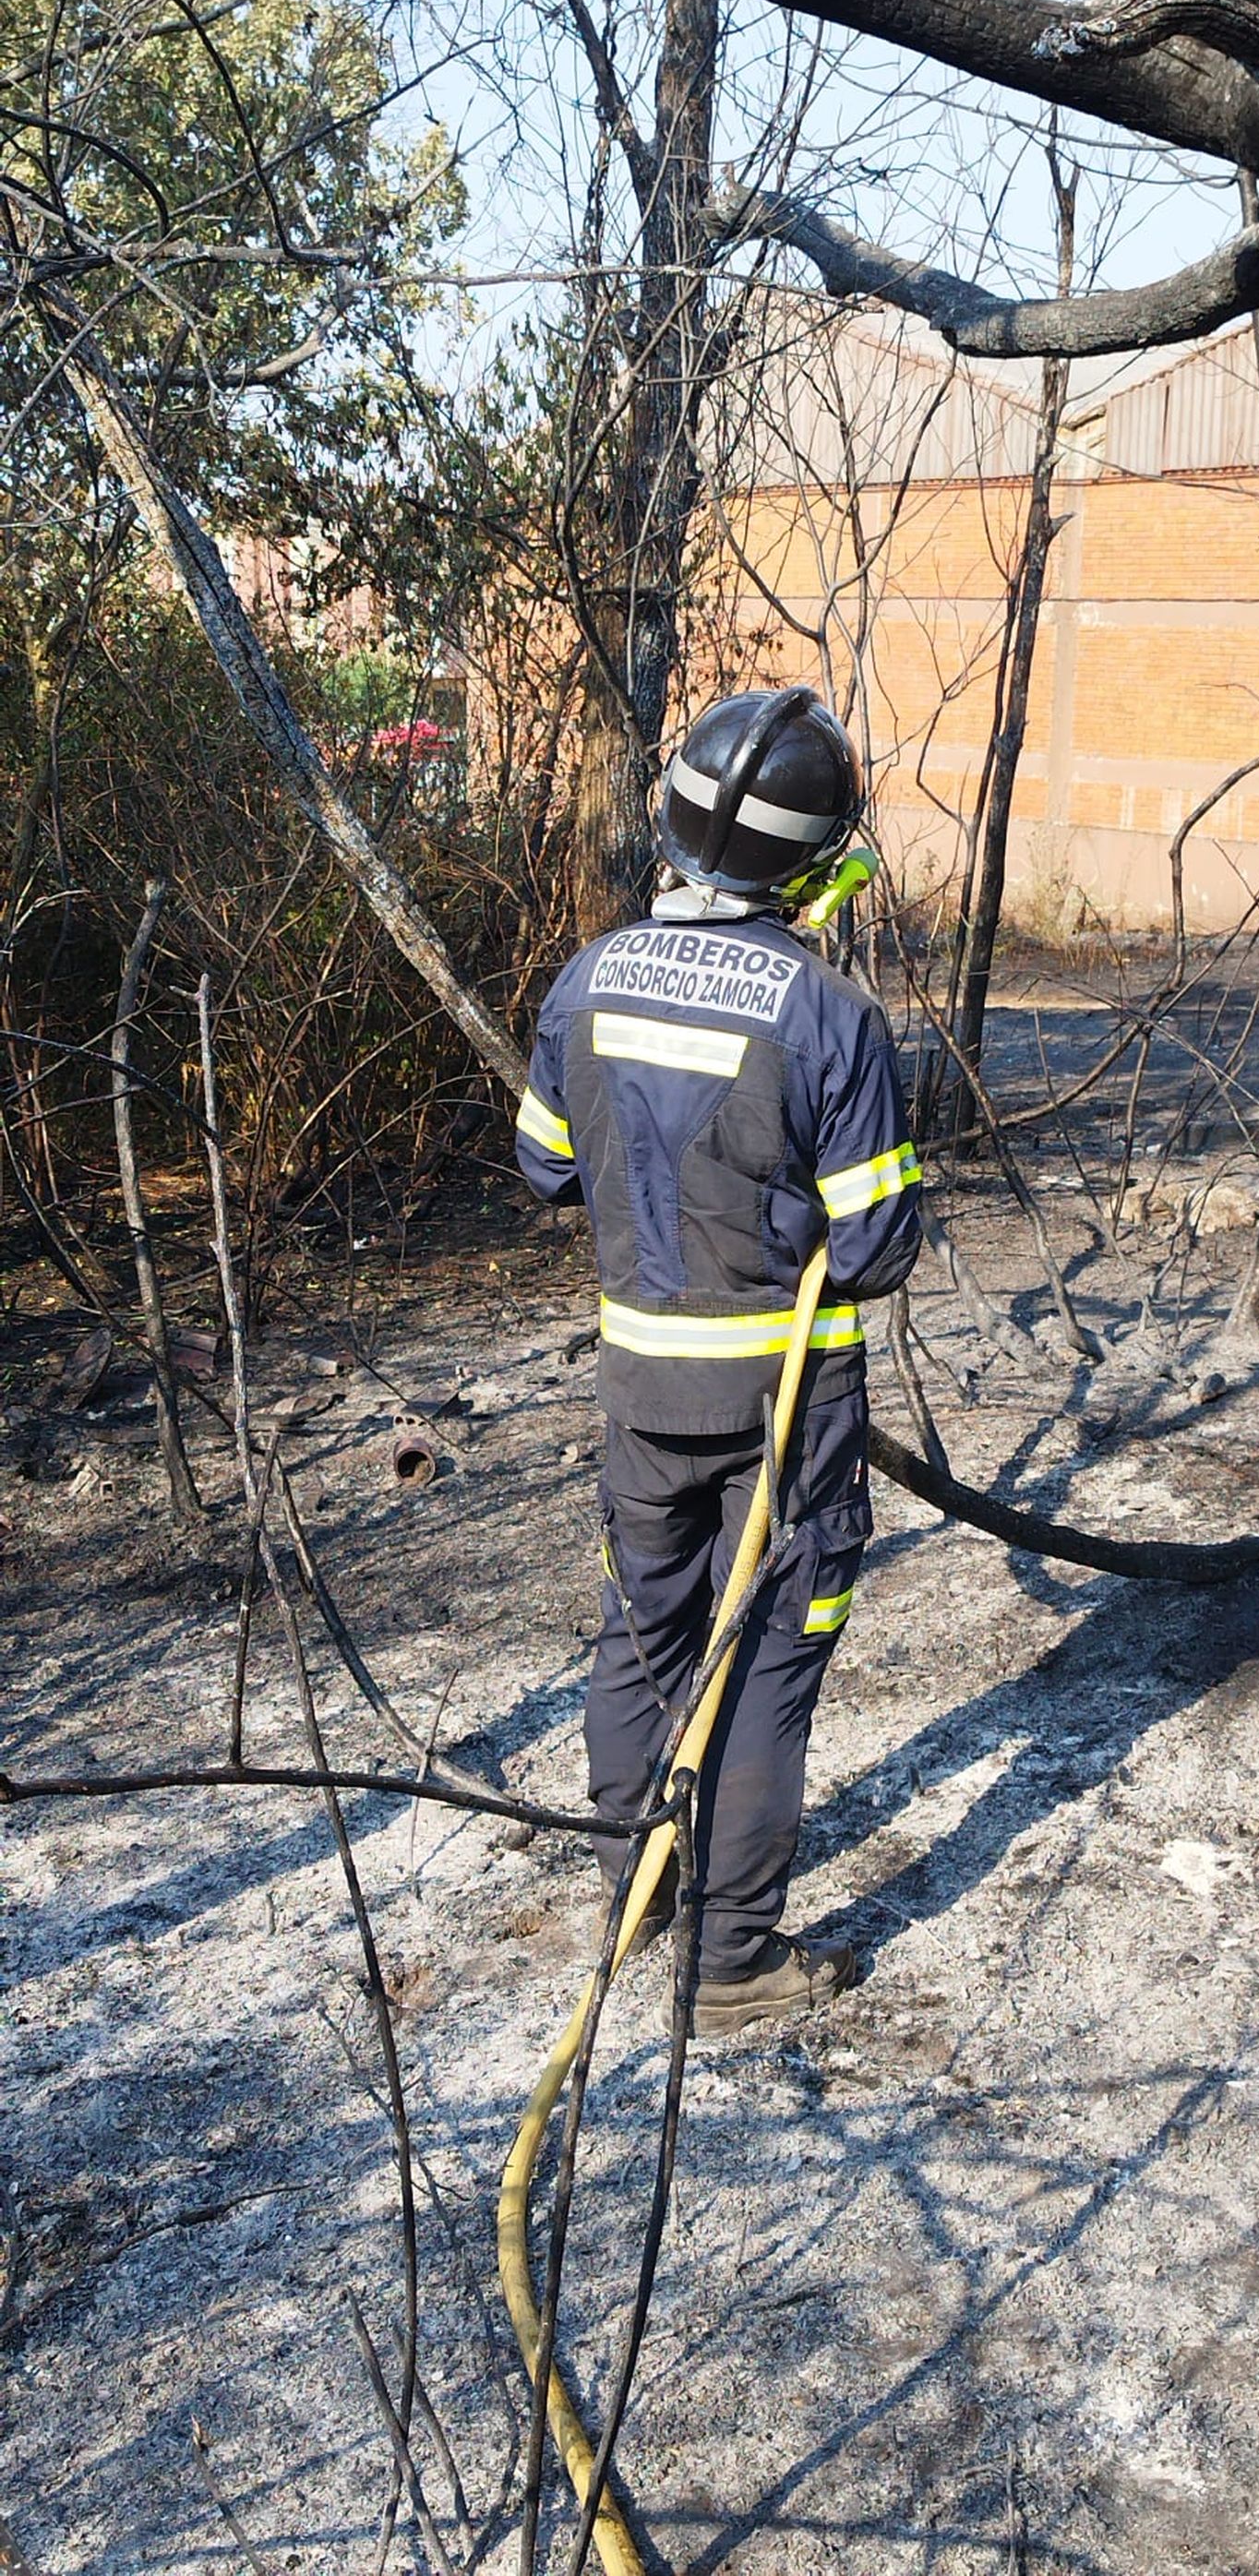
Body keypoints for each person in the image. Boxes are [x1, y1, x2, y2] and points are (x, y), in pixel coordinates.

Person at [515, 685, 922, 2032]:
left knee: (646, 1635)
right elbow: (875, 1248)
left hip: (639, 1390)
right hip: (784, 1407)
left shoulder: (586, 977)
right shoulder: (829, 1015)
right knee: (764, 1669)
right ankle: (734, 1964)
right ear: (822, 863)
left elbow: (542, 1167)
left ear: (675, 823)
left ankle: (639, 1893)